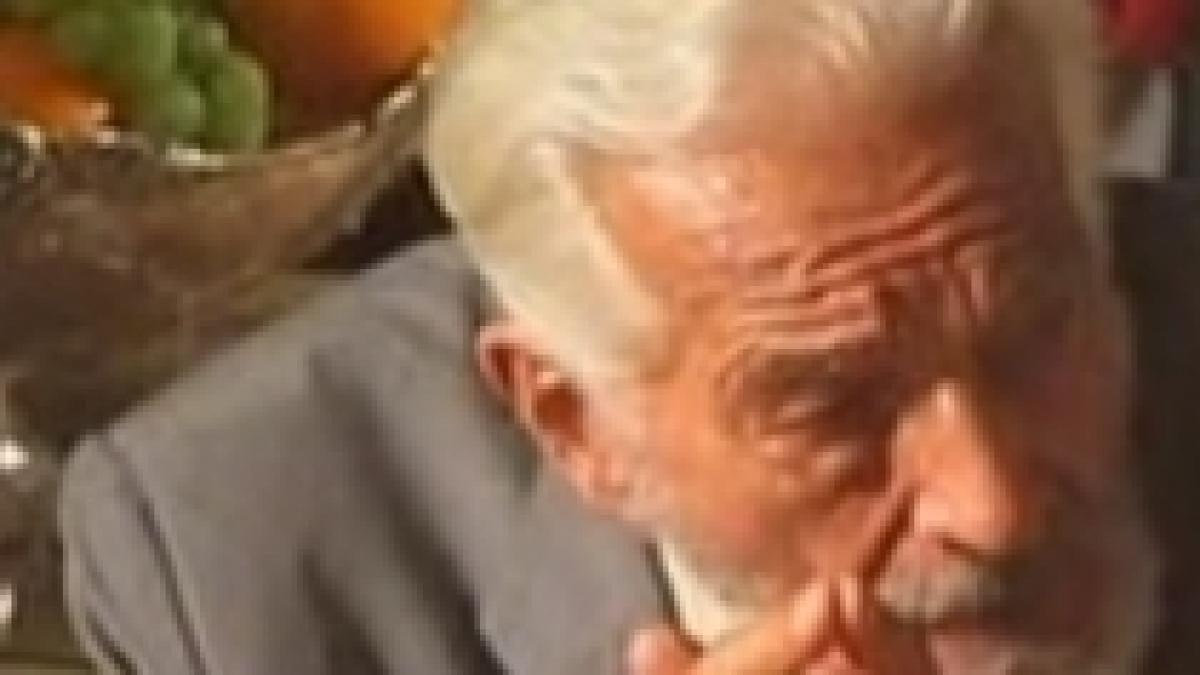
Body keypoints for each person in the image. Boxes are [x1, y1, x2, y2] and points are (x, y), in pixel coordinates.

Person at [58, 1, 1171, 673]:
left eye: (1037, 334)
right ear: (573, 422)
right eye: (833, 404)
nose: (990, 504)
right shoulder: (236, 565)